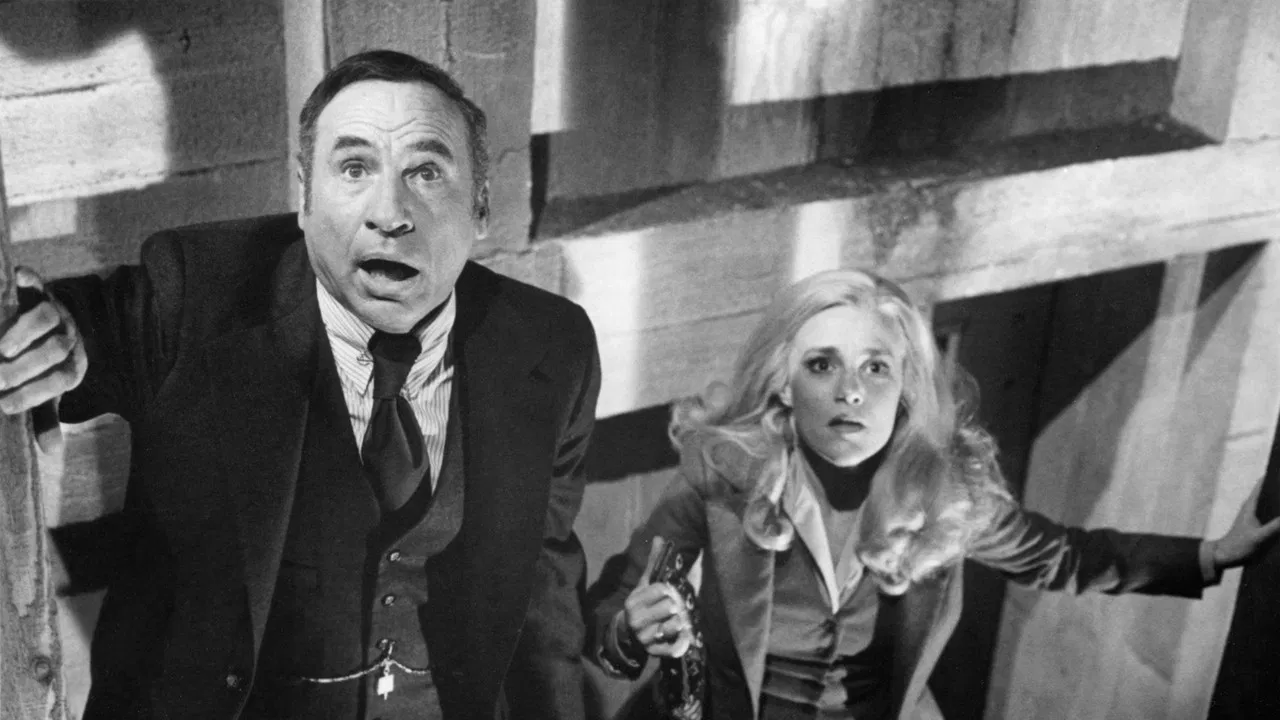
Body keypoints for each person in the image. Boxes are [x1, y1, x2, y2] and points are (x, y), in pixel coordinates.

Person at [0, 50, 600, 720]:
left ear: (480, 206)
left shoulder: (552, 347)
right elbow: (75, 327)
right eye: (354, 168)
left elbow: (544, 590)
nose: (389, 213)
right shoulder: (195, 295)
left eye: (426, 172)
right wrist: (46, 333)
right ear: (305, 201)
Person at [585, 269, 1280, 720]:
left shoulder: (945, 492)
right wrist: (628, 630)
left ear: (905, 388)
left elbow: (1063, 556)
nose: (850, 391)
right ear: (783, 385)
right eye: (821, 365)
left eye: (875, 367)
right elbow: (613, 608)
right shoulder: (721, 472)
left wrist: (1213, 555)